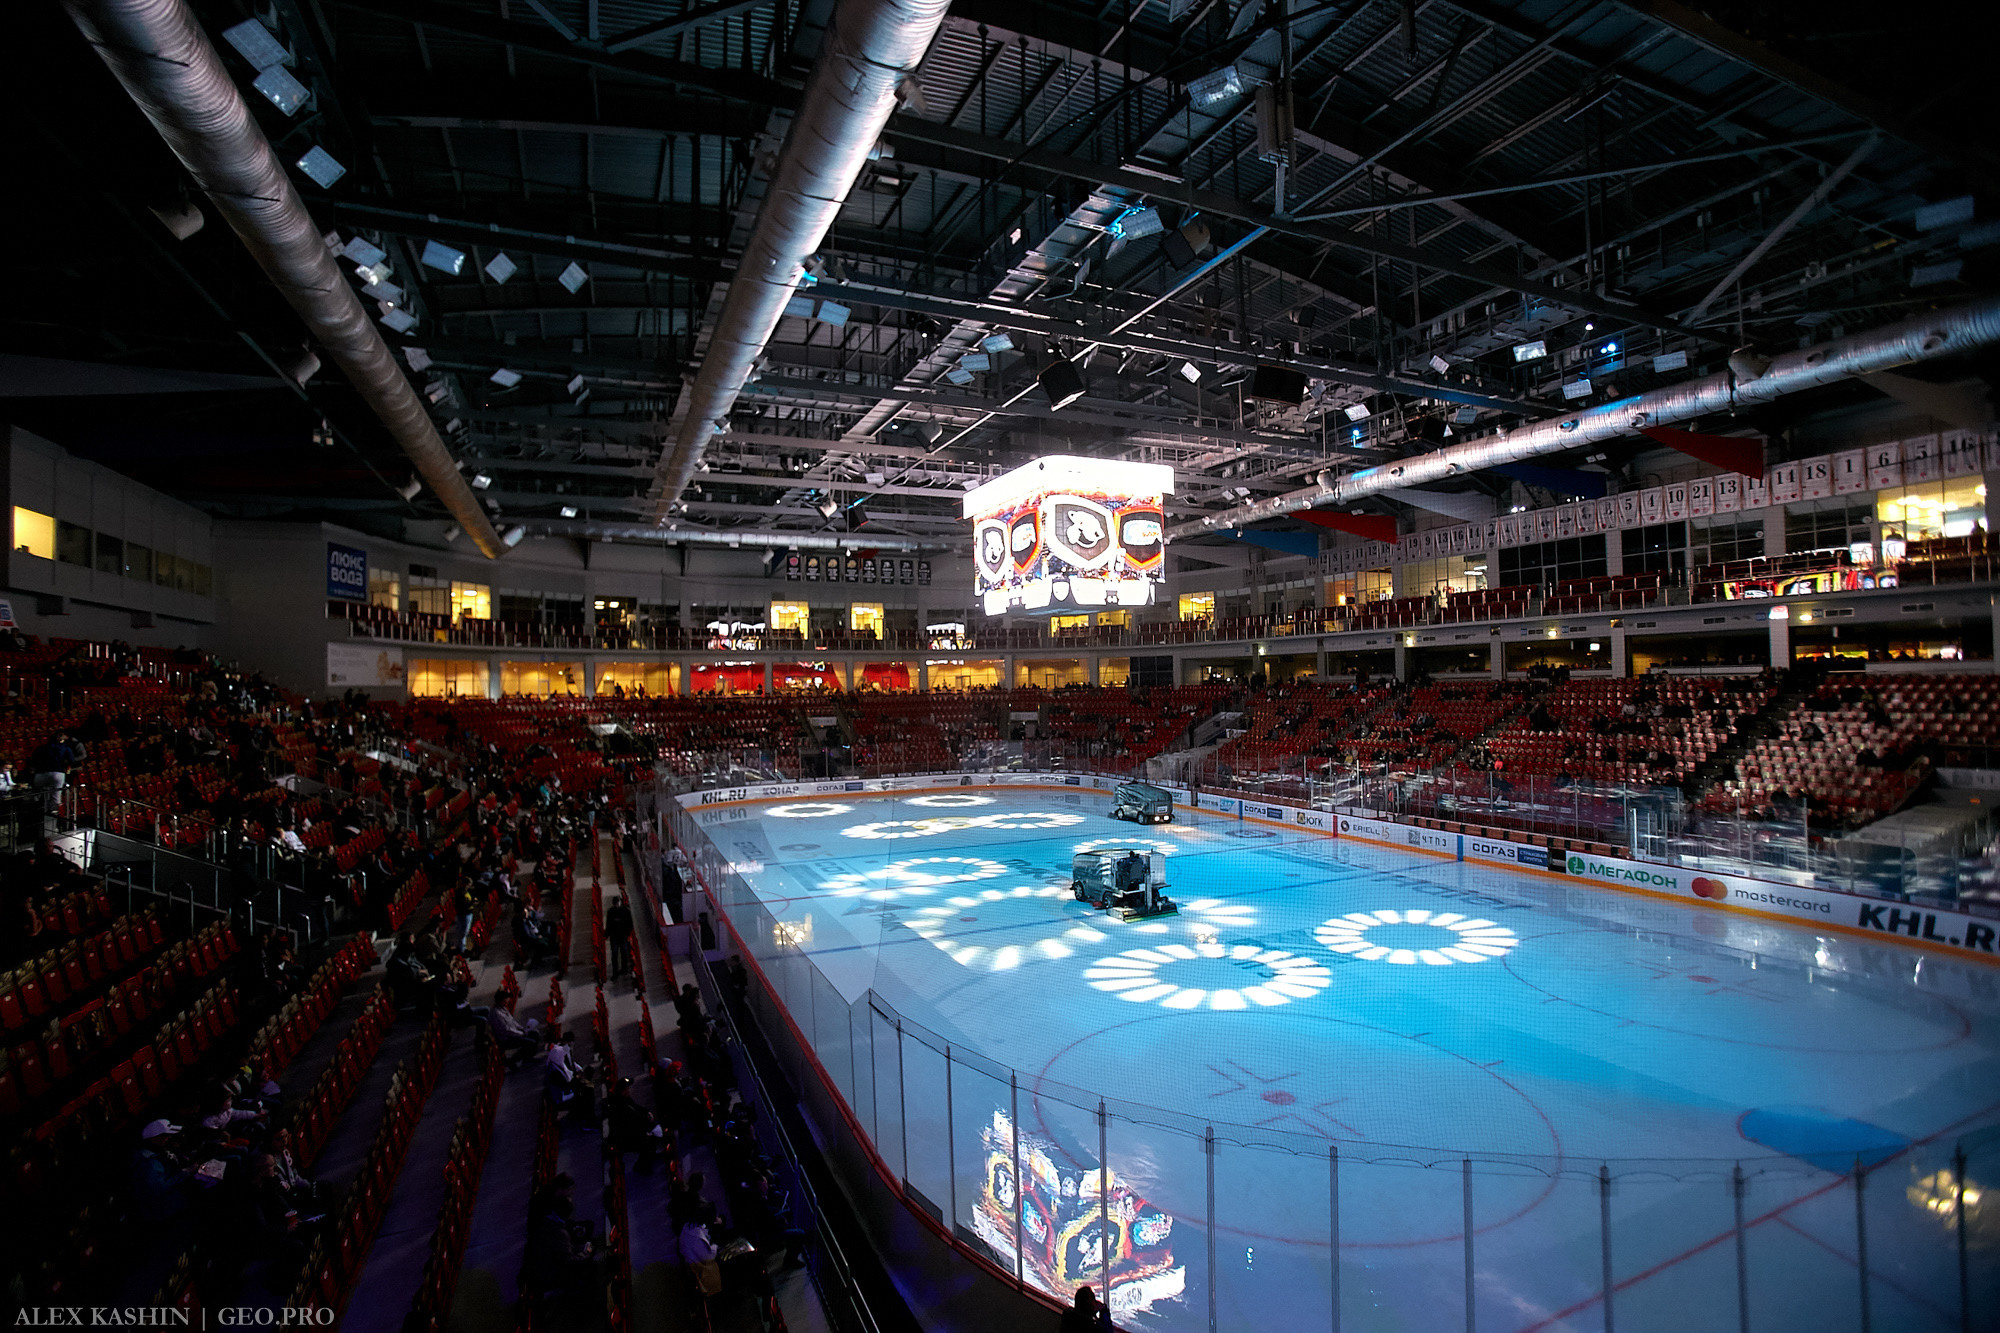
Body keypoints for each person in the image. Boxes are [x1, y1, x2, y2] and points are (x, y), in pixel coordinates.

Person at [605, 894, 635, 979]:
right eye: (615, 903)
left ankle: (624, 969)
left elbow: (630, 924)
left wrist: (627, 933)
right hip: (614, 937)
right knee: (614, 955)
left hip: (623, 936)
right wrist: (607, 934)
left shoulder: (626, 911)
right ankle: (615, 973)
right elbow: (608, 924)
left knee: (624, 953)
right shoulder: (610, 912)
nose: (617, 905)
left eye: (618, 903)